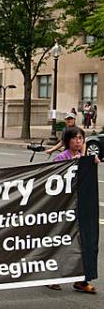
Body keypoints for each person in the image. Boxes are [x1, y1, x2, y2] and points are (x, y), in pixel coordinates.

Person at [46, 126, 99, 294]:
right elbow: (54, 181)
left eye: (81, 138)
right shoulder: (61, 158)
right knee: (61, 241)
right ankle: (53, 277)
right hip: (64, 208)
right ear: (67, 141)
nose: (78, 141)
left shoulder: (86, 158)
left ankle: (82, 280)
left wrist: (92, 163)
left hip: (81, 209)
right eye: (75, 138)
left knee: (85, 242)